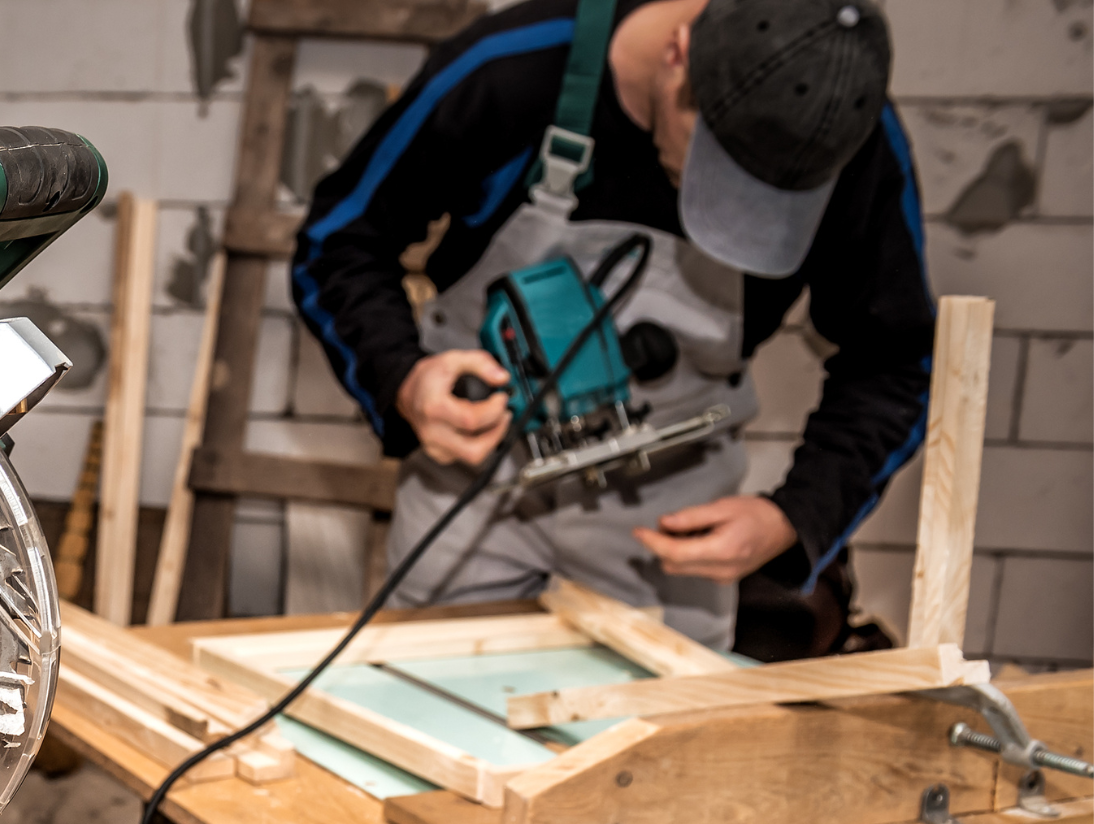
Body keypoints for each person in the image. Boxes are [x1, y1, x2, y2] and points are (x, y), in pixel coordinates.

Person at [293, 0, 931, 649]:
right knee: (428, 717)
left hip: (669, 514)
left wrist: (794, 516)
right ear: (678, 56)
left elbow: (894, 358)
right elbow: (338, 242)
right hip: (472, 488)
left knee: (661, 740)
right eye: (720, 170)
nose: (726, 207)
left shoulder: (846, 128)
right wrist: (405, 379)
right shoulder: (511, 69)